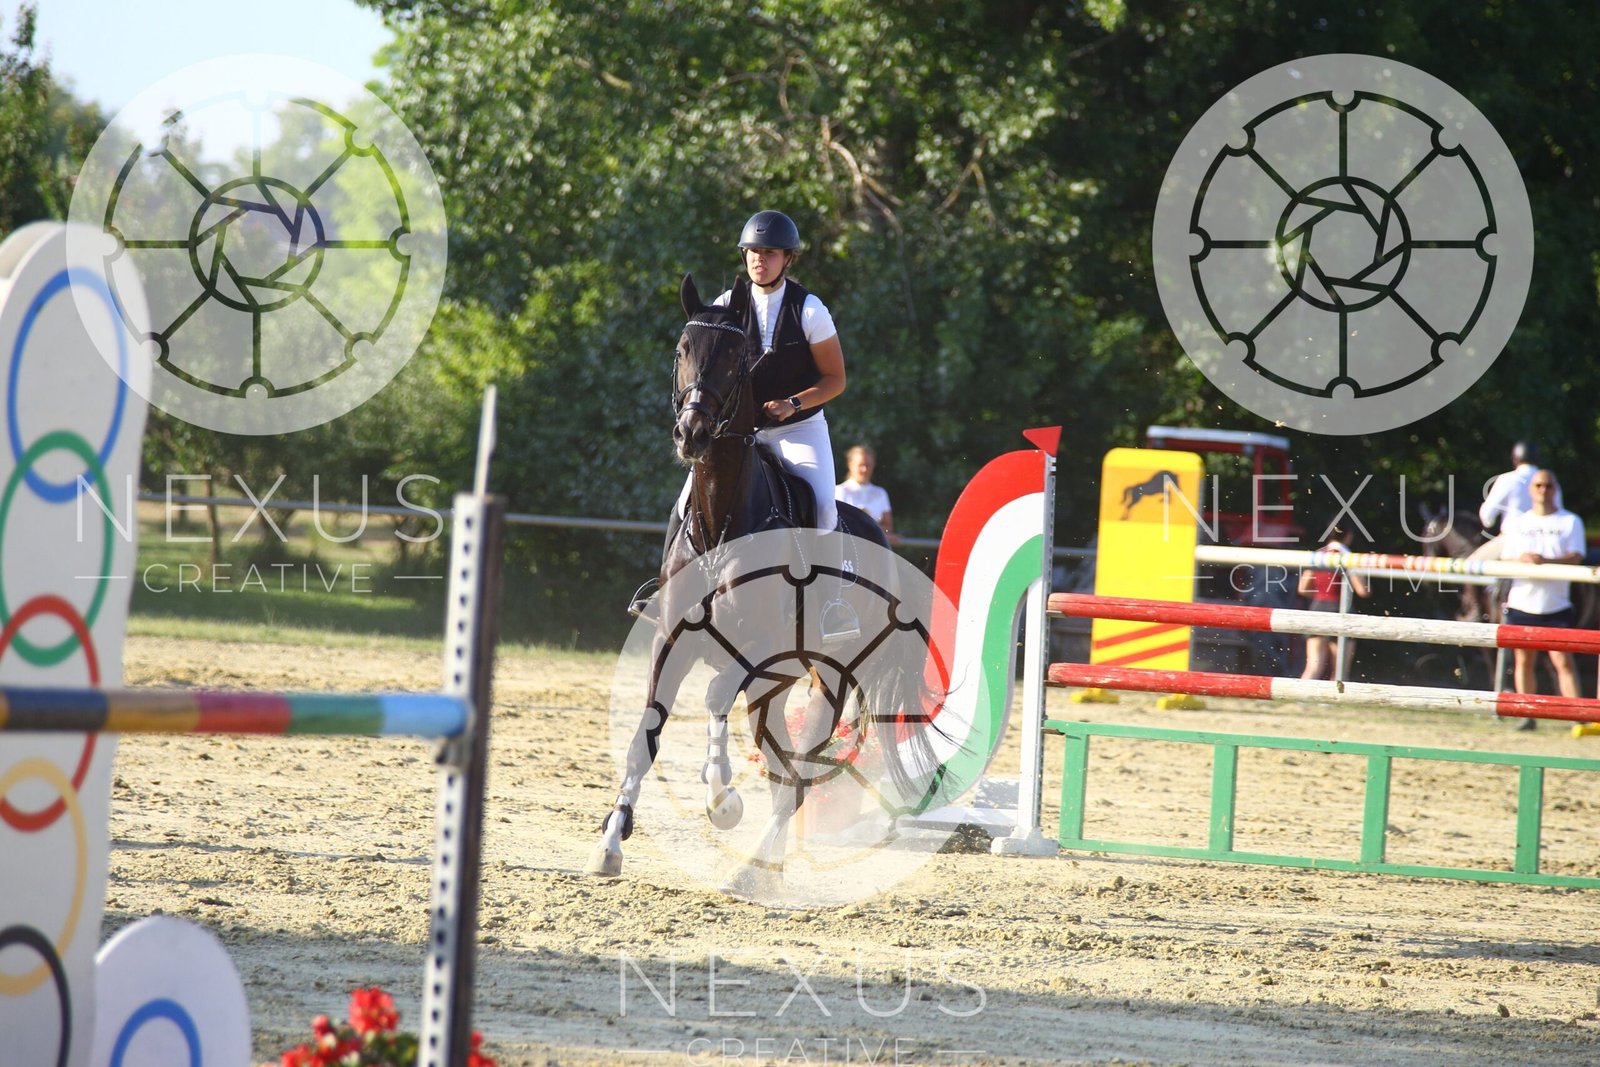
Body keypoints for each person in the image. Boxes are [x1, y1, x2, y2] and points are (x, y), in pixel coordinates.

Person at [1499, 470, 1585, 730]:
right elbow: (1505, 558)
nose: (1543, 490)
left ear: (1555, 488)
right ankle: (1527, 715)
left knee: (1563, 661)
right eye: (1538, 485)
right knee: (1523, 661)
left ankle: (1578, 717)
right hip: (1522, 602)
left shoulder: (1570, 521)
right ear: (1530, 489)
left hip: (1556, 604)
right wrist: (1524, 560)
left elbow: (1576, 556)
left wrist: (1545, 561)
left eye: (1548, 486)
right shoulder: (1518, 522)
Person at [1296, 526, 1370, 681]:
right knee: (1339, 671)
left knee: (1313, 666)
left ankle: (1299, 694)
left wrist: (1320, 595)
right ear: (1348, 536)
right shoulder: (1348, 557)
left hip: (1317, 609)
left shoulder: (1318, 555)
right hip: (1340, 610)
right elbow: (1362, 591)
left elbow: (1303, 588)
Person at [1480, 440, 1562, 534]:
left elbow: (1487, 516)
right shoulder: (1550, 482)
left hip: (1512, 537)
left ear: (1515, 459)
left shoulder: (1506, 479)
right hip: (1546, 537)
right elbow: (1559, 514)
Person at [835, 444, 900, 545]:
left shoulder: (881, 493)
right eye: (861, 465)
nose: (864, 469)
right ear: (850, 464)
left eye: (868, 465)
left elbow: (888, 527)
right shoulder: (839, 491)